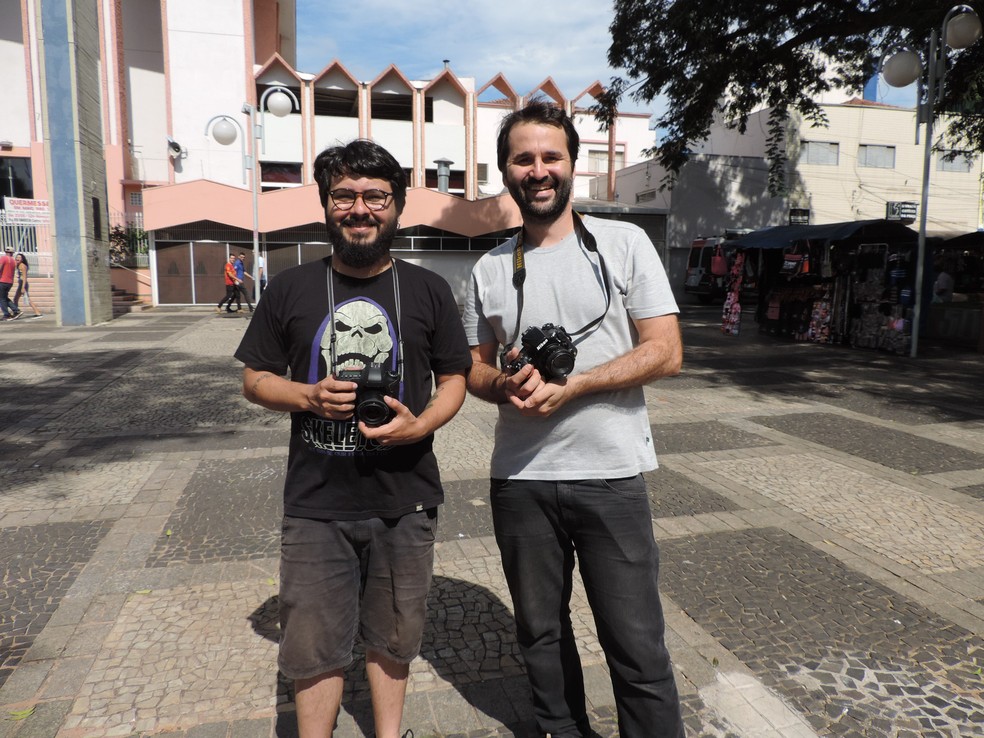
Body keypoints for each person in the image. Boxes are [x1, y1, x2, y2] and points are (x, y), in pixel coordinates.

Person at [461, 101, 686, 738]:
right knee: (539, 635)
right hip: (521, 480)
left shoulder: (625, 242)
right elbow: (472, 369)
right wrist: (505, 385)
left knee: (637, 644)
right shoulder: (489, 267)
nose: (538, 170)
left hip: (611, 476)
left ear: (572, 166)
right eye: (523, 158)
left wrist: (578, 384)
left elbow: (666, 351)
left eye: (549, 157)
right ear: (505, 171)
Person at [234, 138, 471, 738]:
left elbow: (454, 379)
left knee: (395, 634)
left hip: (406, 497)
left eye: (375, 196)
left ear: (397, 207)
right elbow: (255, 379)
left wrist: (424, 423)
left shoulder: (427, 290)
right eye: (344, 195)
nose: (359, 208)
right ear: (325, 204)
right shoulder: (290, 288)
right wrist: (305, 395)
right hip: (316, 503)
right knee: (312, 645)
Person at [12, 253, 42, 318]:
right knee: (16, 299)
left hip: (23, 284)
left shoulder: (22, 266)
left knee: (27, 299)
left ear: (22, 259)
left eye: (19, 257)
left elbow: (25, 277)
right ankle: (16, 312)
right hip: (21, 283)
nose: (17, 258)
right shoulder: (19, 265)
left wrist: (23, 287)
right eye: (17, 257)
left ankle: (38, 313)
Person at [0, 246, 17, 321]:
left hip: (2, 281)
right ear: (12, 253)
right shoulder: (13, 261)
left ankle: (6, 314)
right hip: (9, 282)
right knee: (4, 297)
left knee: (2, 299)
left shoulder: (3, 258)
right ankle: (16, 310)